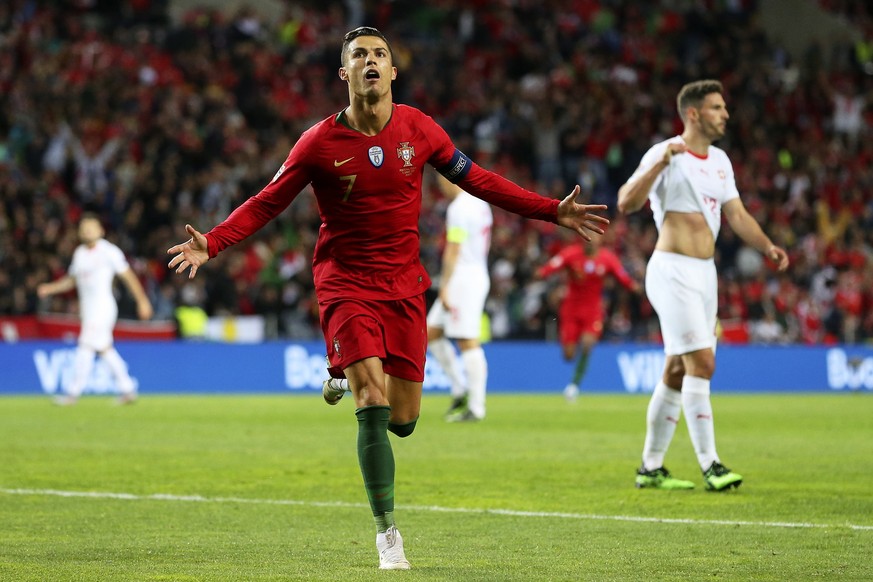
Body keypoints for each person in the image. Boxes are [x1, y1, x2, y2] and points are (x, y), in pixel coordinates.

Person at [167, 26, 609, 570]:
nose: (370, 62)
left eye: (379, 54)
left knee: (404, 420)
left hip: (404, 287)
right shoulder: (317, 142)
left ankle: (340, 370)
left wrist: (549, 210)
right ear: (344, 73)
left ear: (393, 71)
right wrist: (213, 242)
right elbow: (266, 201)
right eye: (359, 56)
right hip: (345, 280)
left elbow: (480, 180)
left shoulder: (419, 129)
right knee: (371, 401)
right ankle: (387, 534)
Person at [617, 79, 789, 491]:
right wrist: (661, 163)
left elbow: (738, 214)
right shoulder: (666, 153)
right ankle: (711, 465)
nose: (725, 114)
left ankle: (650, 467)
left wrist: (768, 247)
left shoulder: (721, 162)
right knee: (703, 364)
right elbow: (626, 202)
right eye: (716, 107)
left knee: (677, 369)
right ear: (693, 113)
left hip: (704, 275)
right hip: (672, 270)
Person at [37, 213, 154, 405]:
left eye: (91, 226)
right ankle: (128, 390)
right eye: (84, 227)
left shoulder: (109, 251)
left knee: (86, 345)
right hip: (88, 310)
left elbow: (128, 276)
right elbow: (71, 281)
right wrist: (50, 288)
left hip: (103, 307)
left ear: (101, 230)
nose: (87, 230)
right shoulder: (80, 254)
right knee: (105, 349)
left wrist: (142, 301)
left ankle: (71, 394)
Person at [536, 234, 641, 403]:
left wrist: (635, 286)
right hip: (570, 310)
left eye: (594, 237)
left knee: (587, 344)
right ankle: (574, 353)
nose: (590, 240)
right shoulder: (571, 254)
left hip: (592, 311)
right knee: (568, 355)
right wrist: (542, 272)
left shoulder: (607, 258)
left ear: (600, 239)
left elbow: (622, 276)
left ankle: (574, 386)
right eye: (587, 237)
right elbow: (552, 266)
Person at [425, 172, 493, 422]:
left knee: (466, 340)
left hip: (463, 279)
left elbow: (454, 248)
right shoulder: (481, 203)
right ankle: (459, 389)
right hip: (475, 272)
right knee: (431, 332)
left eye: (442, 180)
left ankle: (476, 407)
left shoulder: (459, 207)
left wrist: (445, 285)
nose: (441, 186)